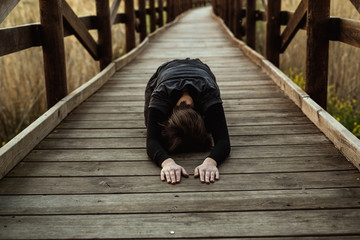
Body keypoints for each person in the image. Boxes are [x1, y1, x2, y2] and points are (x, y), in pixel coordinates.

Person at [144, 58, 230, 184]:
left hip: (200, 69)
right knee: (151, 122)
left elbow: (223, 141)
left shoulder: (208, 92)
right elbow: (152, 140)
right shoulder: (161, 95)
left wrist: (211, 162)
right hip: (166, 71)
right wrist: (167, 163)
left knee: (213, 123)